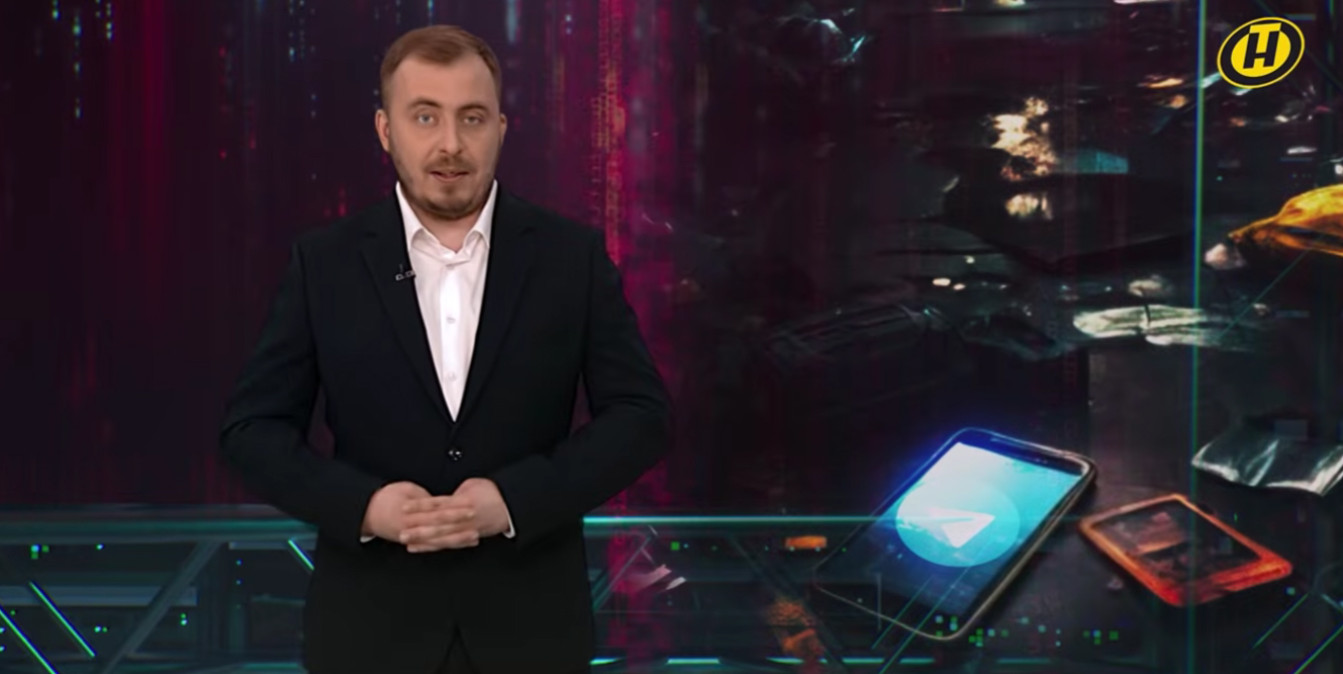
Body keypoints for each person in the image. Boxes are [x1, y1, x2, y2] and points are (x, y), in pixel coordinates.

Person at [219, 24, 672, 674]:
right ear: (385, 130)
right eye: (425, 116)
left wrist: (513, 501)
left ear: (501, 129)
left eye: (472, 118)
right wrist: (366, 508)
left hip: (532, 637)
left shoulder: (570, 257)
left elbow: (641, 417)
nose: (451, 143)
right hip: (368, 638)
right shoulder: (324, 263)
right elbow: (251, 430)